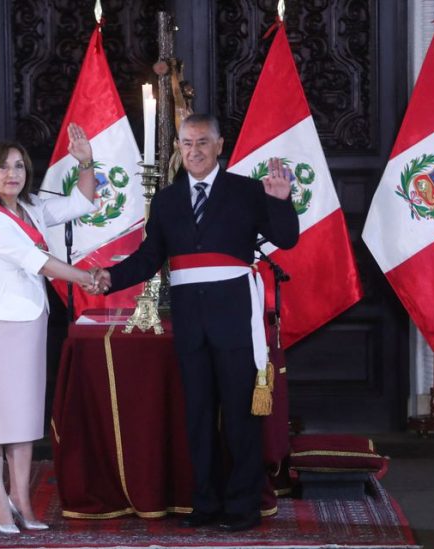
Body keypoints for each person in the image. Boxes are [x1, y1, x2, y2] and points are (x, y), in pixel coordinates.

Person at [91, 114, 298, 532]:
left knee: (241, 417)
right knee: (199, 416)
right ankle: (204, 503)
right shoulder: (167, 201)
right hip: (190, 324)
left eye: (203, 142)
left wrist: (279, 200)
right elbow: (151, 258)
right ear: (179, 148)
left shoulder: (246, 191)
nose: (194, 150)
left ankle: (242, 507)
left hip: (235, 319)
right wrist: (110, 278)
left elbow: (287, 238)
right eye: (186, 143)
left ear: (220, 145)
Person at [0, 124, 97, 534]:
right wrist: (88, 278)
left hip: (28, 321)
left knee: (20, 415)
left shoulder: (31, 208)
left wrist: (85, 160)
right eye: (2, 168)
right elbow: (36, 261)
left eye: (18, 166)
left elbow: (83, 201)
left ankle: (21, 498)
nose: (12, 174)